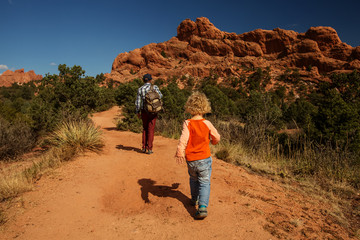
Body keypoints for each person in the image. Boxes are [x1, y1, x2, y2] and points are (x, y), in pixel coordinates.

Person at [175, 92, 220, 219]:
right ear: (205, 106)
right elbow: (216, 137)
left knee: (193, 179)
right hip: (204, 158)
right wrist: (213, 141)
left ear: (190, 106)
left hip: (191, 160)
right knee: (205, 182)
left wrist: (180, 152)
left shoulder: (187, 123)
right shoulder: (207, 123)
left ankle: (194, 199)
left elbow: (183, 139)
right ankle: (202, 207)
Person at [135, 73, 163, 154]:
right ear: (150, 80)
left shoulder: (140, 89)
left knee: (145, 128)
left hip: (144, 111)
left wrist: (137, 112)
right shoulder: (155, 87)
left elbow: (138, 102)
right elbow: (160, 96)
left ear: (143, 80)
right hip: (153, 111)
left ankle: (144, 147)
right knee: (151, 129)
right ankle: (150, 149)